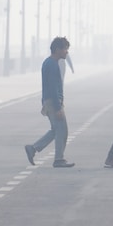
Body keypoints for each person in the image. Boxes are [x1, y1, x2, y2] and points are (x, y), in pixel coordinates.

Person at [24, 37, 75, 168]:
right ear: (57, 49)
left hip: (50, 101)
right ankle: (58, 159)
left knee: (56, 130)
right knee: (62, 130)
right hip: (53, 102)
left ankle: (33, 148)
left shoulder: (49, 62)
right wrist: (58, 107)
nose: (66, 52)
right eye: (65, 49)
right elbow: (52, 87)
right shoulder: (52, 65)